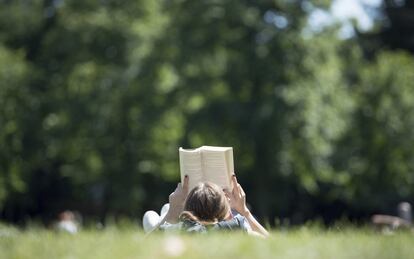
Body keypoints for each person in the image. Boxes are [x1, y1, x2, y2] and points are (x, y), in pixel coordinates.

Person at [148, 174, 269, 238]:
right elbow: (270, 243)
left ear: (188, 208)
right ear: (227, 213)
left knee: (150, 216)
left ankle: (160, 218)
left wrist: (172, 213)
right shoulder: (236, 227)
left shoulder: (179, 230)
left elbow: (145, 246)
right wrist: (244, 212)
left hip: (170, 228)